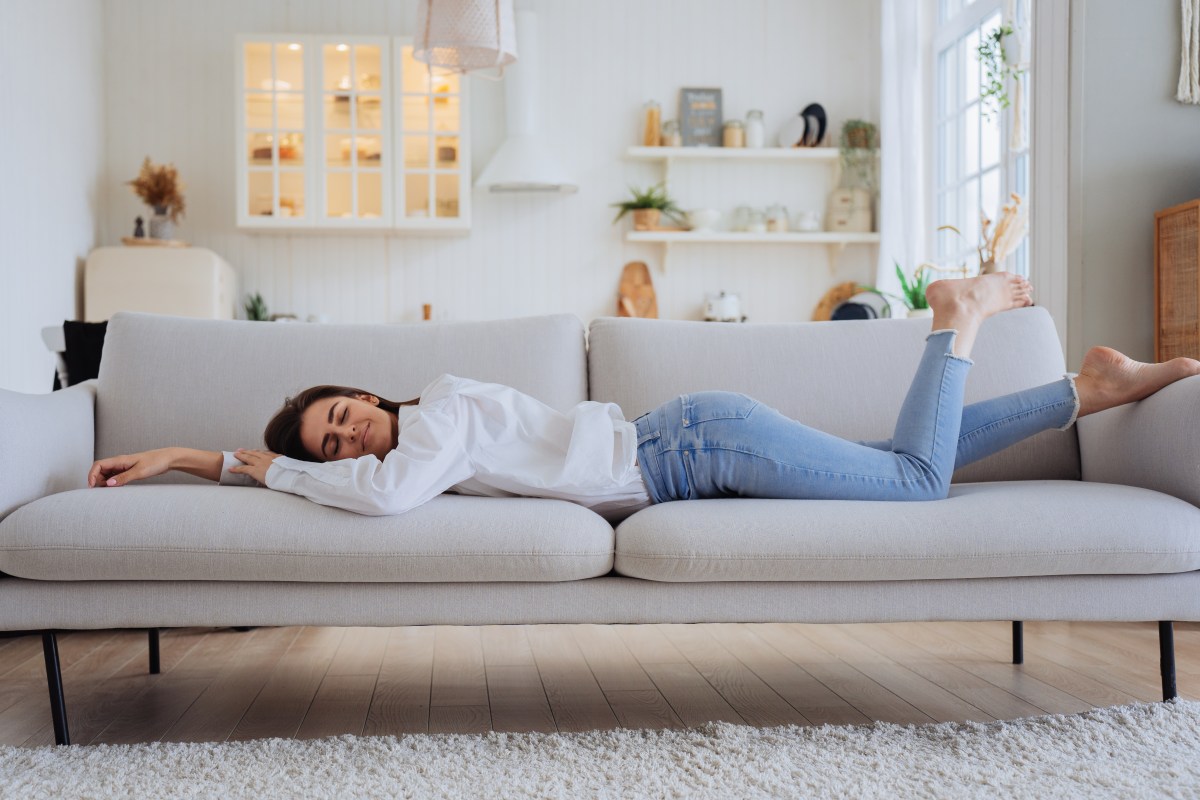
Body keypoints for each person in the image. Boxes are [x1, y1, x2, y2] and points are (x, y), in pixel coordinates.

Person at [87, 273, 1200, 522]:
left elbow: (385, 498)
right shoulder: (428, 429)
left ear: (368, 397)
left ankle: (954, 319)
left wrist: (227, 458)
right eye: (335, 443)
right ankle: (1086, 392)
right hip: (694, 438)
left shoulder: (434, 417)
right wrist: (198, 455)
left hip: (688, 452)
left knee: (908, 481)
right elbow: (374, 488)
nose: (350, 435)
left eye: (342, 413)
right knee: (900, 455)